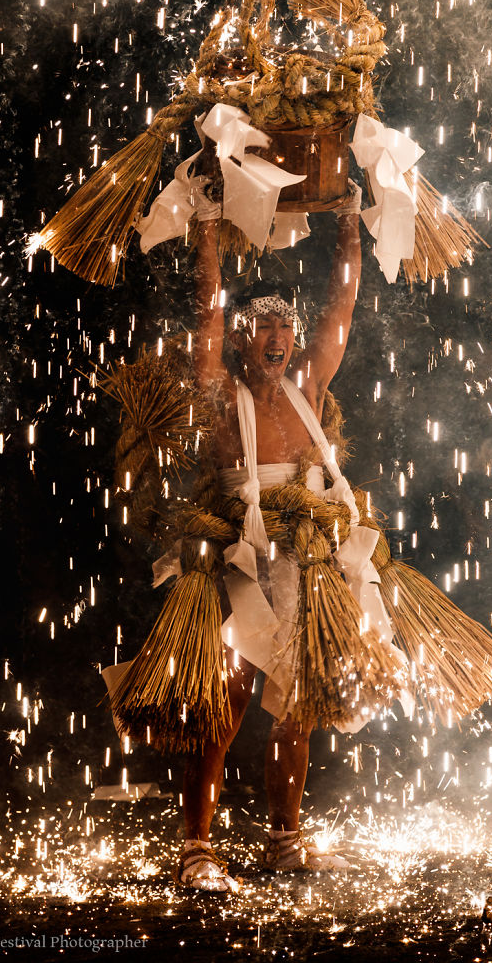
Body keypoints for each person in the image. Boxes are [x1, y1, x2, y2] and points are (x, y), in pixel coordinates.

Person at [178, 182, 368, 891]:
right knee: (221, 703)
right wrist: (205, 227)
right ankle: (196, 847)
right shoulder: (220, 393)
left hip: (303, 562)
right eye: (263, 325)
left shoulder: (306, 387)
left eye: (285, 324)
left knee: (297, 706)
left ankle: (285, 838)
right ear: (241, 338)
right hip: (239, 558)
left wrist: (348, 222)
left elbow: (342, 305)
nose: (278, 335)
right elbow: (206, 311)